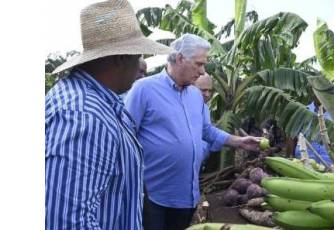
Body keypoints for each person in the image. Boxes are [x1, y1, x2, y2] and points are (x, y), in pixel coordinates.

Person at [45, 1, 171, 229]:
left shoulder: (97, 101)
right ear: (121, 58)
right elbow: (67, 223)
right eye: (138, 54)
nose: (141, 63)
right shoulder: (84, 117)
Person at [124, 33, 262, 230]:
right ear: (180, 58)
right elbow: (124, 136)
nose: (202, 70)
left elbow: (206, 131)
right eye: (198, 64)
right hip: (152, 197)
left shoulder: (195, 96)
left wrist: (238, 141)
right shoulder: (143, 89)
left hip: (187, 197)